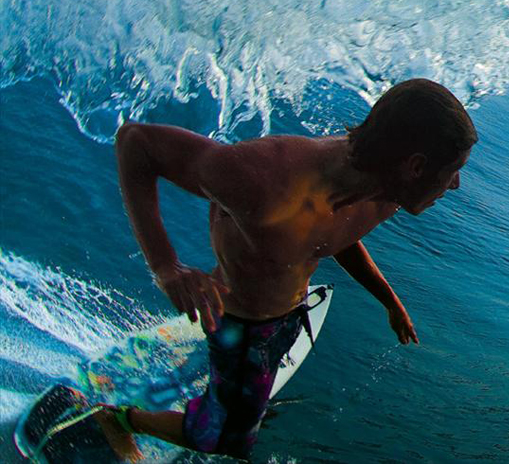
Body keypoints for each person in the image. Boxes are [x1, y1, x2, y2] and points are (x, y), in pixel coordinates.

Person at [96, 78, 477, 461]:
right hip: (242, 325)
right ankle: (121, 421)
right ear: (415, 166)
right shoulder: (270, 184)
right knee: (225, 440)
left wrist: (388, 300)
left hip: (285, 314)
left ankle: (213, 390)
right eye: (454, 169)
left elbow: (335, 236)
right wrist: (166, 266)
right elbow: (136, 144)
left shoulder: (383, 194)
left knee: (238, 405)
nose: (457, 184)